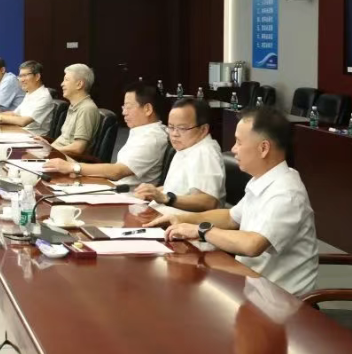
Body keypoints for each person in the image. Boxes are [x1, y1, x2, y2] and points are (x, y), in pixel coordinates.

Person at [146, 107, 318, 296]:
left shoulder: (286, 193)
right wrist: (181, 219)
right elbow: (230, 217)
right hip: (251, 285)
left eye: (239, 142)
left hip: (280, 300)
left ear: (264, 148)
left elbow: (252, 244)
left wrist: (201, 231)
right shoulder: (263, 179)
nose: (233, 149)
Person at [44, 82, 168, 185]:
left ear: (147, 109)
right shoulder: (141, 131)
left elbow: (117, 172)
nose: (124, 112)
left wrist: (73, 167)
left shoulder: (152, 138)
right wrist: (67, 163)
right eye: (123, 107)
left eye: (128, 107)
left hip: (127, 198)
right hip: (112, 187)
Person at [134, 98, 225, 211]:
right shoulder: (187, 146)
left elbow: (208, 202)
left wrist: (166, 198)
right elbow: (178, 189)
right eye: (171, 127)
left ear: (203, 129)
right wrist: (152, 192)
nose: (174, 134)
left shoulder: (205, 153)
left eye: (182, 128)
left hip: (182, 220)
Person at [36, 63, 100, 155]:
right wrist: (48, 145)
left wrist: (50, 149)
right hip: (57, 154)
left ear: (79, 84)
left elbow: (78, 148)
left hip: (66, 159)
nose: (62, 84)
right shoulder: (74, 106)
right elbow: (65, 140)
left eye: (66, 80)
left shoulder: (86, 109)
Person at [0, 60, 54, 136]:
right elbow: (14, 114)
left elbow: (23, 121)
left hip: (33, 137)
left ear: (37, 77)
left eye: (25, 75)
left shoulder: (44, 96)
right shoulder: (30, 93)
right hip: (19, 132)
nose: (21, 80)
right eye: (20, 76)